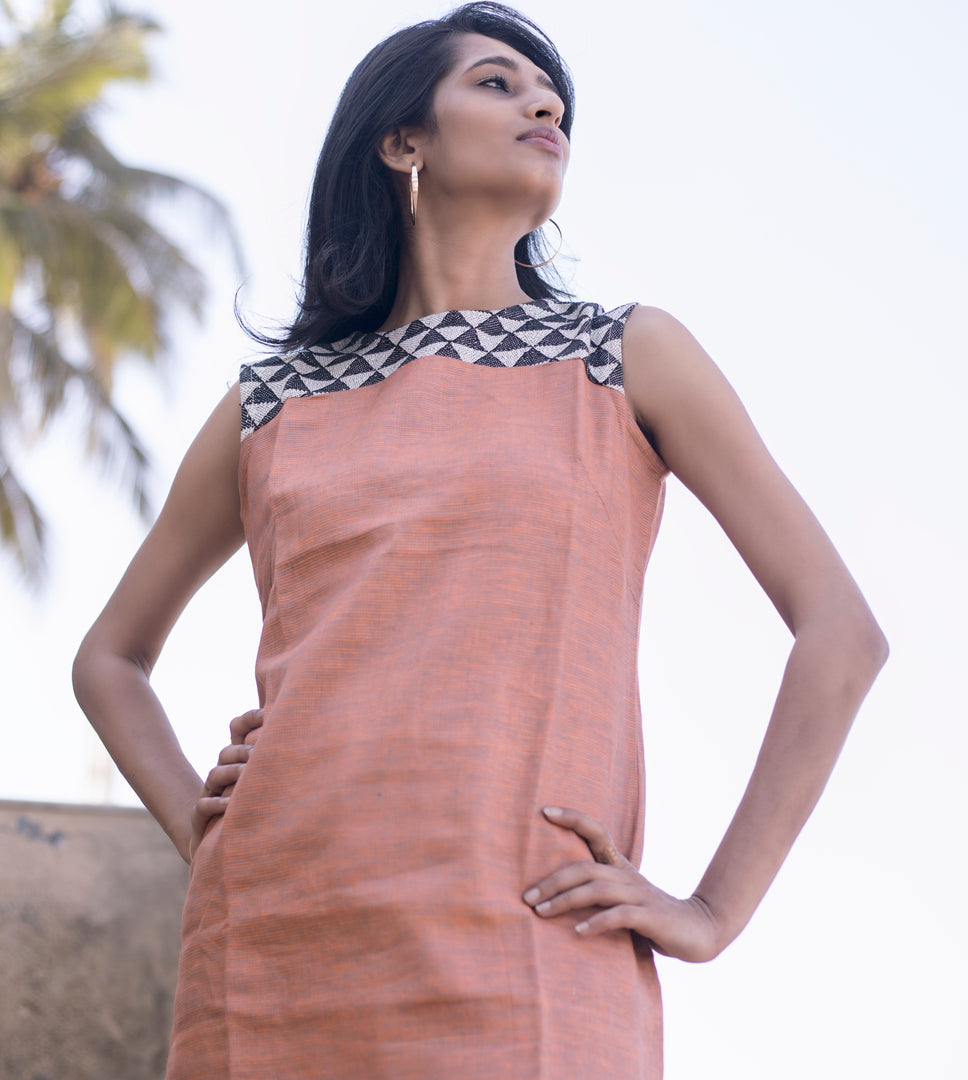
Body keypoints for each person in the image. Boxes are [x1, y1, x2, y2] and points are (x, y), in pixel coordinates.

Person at [72, 4, 887, 1077]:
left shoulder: (622, 355)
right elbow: (109, 660)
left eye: (551, 96)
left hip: (531, 933)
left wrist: (711, 910)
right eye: (497, 84)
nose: (543, 103)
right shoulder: (274, 401)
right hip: (273, 945)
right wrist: (207, 832)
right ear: (401, 140)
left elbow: (841, 633)